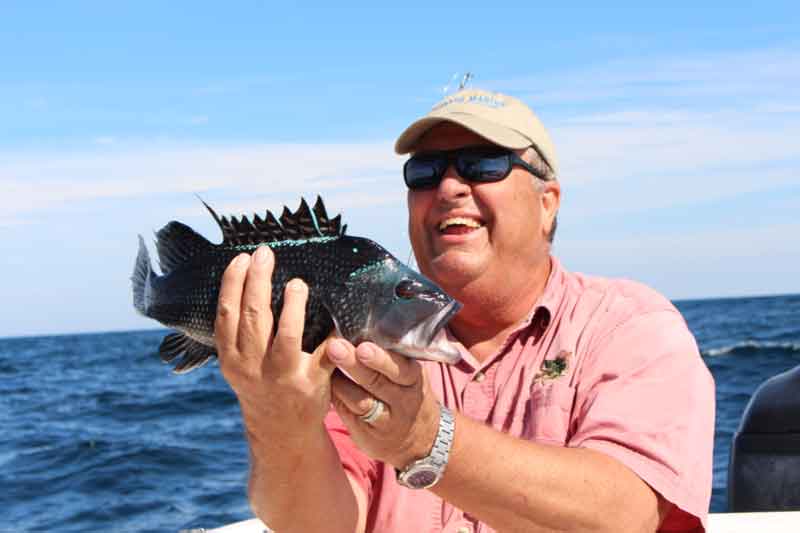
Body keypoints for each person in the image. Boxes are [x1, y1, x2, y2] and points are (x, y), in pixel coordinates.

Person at [215, 88, 715, 532]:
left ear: (548, 203)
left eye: (483, 164)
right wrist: (278, 417)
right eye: (425, 172)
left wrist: (424, 438)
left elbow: (626, 516)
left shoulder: (630, 326)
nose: (449, 187)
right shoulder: (358, 341)